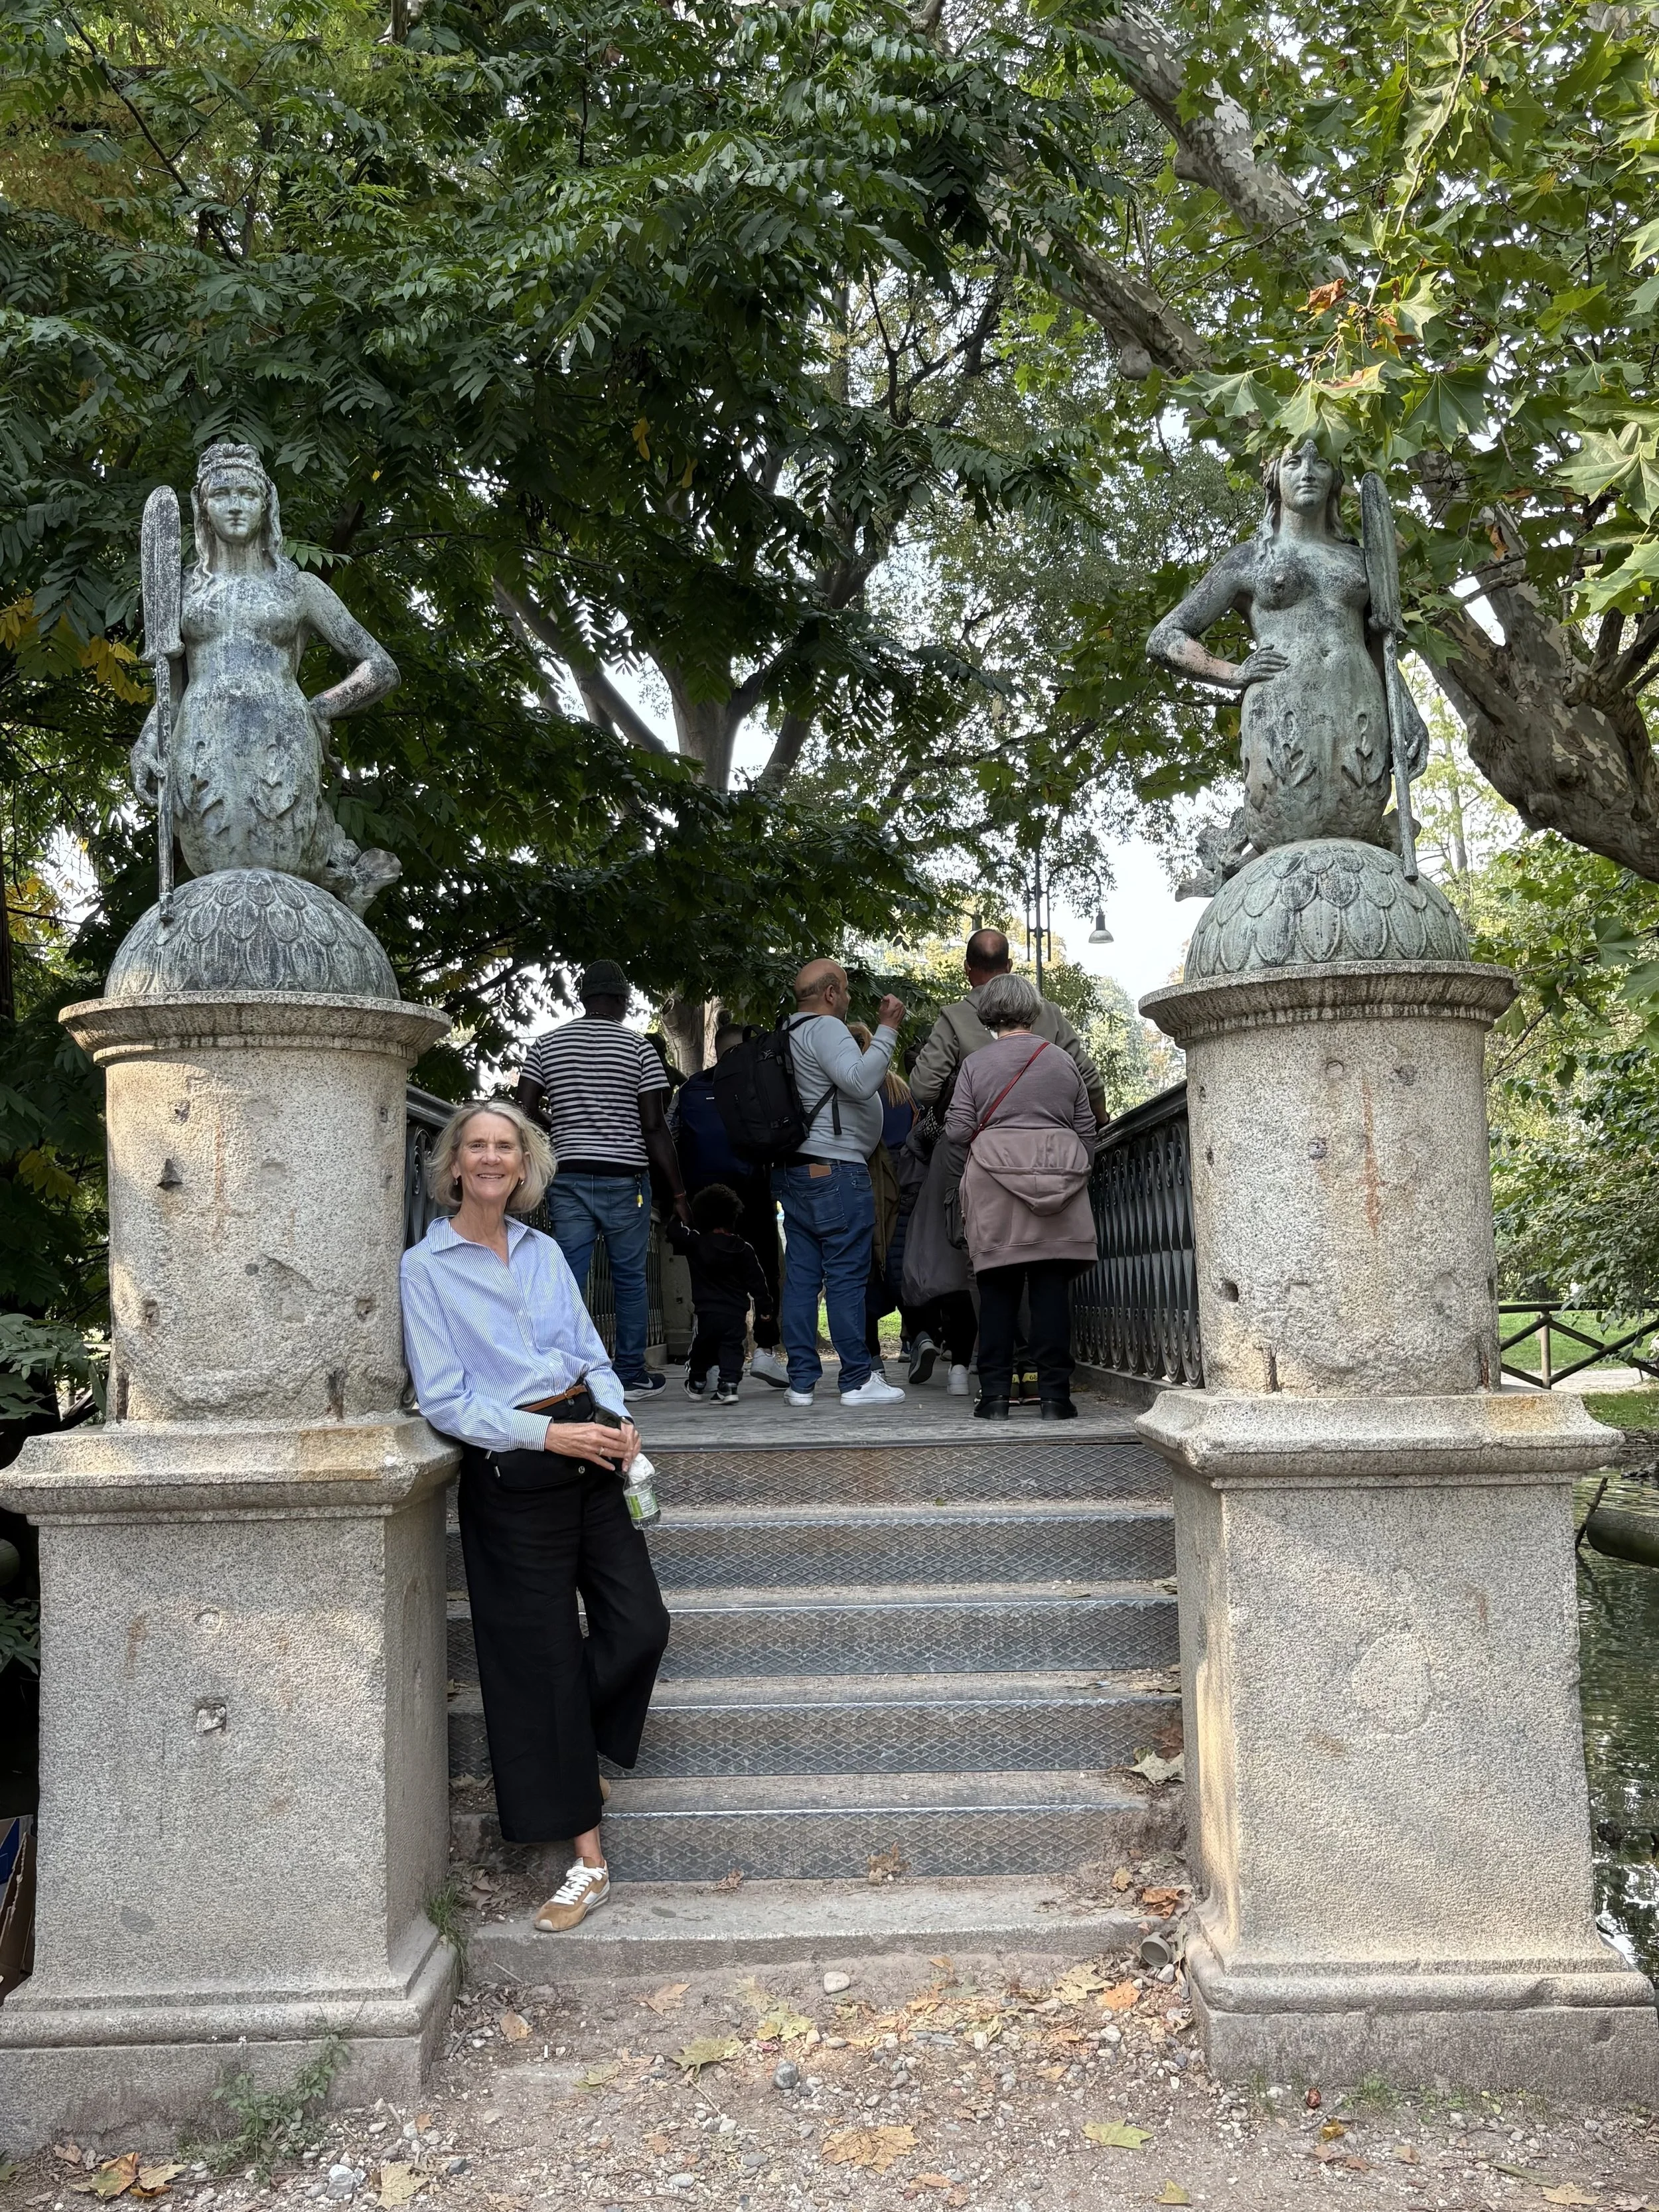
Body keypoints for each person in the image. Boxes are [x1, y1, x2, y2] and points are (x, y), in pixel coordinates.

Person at [399, 1099, 670, 1935]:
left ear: (523, 1167)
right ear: (453, 1166)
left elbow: (590, 1350)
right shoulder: (426, 1267)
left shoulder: (546, 1250)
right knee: (543, 1663)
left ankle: (566, 1752)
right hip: (516, 1466)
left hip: (590, 1447)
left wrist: (617, 1421)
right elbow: (446, 1399)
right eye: (475, 1146)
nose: (489, 1159)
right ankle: (587, 1862)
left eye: (504, 1147)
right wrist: (548, 1434)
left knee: (641, 1625)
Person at [516, 959, 690, 1401]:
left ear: (583, 997)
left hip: (569, 1174)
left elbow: (524, 1109)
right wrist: (679, 1191)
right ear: (622, 1000)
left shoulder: (547, 1045)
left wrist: (560, 1127)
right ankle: (630, 1374)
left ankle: (563, 1376)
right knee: (629, 1278)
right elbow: (654, 1125)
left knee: (568, 1275)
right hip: (624, 1179)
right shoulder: (638, 1049)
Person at [944, 974, 1098, 1421]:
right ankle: (1055, 1396)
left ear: (991, 1012)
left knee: (996, 1293)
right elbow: (1085, 1128)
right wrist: (1070, 1168)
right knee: (1050, 1292)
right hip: (1059, 1183)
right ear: (1033, 1011)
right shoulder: (1062, 1061)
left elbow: (957, 1130)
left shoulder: (977, 1064)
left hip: (994, 1186)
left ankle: (994, 1397)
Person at [774, 960, 908, 1408]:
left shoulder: (787, 1033)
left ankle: (801, 1382)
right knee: (848, 1276)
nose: (849, 998)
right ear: (830, 994)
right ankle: (855, 1379)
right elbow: (861, 1079)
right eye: (846, 991)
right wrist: (887, 1028)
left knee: (802, 1279)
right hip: (837, 1173)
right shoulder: (826, 1028)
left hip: (797, 1171)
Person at [668, 1020, 788, 1388]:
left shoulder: (690, 1089)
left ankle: (712, 1358)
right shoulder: (758, 1081)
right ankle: (766, 1352)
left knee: (709, 1277)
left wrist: (679, 1197)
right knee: (764, 1270)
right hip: (750, 1192)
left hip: (704, 1199)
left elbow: (672, 1134)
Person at [909, 928, 1108, 1126]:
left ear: (967, 968)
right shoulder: (1049, 1012)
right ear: (1009, 966)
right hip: (1051, 1138)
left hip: (980, 1142)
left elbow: (924, 1090)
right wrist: (1101, 1120)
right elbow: (1087, 1078)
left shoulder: (954, 1018)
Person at [846, 1021, 923, 1382]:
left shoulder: (851, 1088)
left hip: (866, 1185)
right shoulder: (900, 1091)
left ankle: (873, 1357)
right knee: (903, 1263)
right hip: (907, 1186)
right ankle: (920, 1334)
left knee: (863, 1270)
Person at [667, 1183, 775, 1405]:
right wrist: (765, 1309)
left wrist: (679, 1215)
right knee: (732, 1348)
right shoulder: (744, 1249)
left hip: (707, 1312)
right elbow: (758, 1283)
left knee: (701, 1347)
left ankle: (697, 1381)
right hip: (735, 1313)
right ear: (733, 1217)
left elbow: (674, 1233)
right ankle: (728, 1385)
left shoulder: (696, 1243)